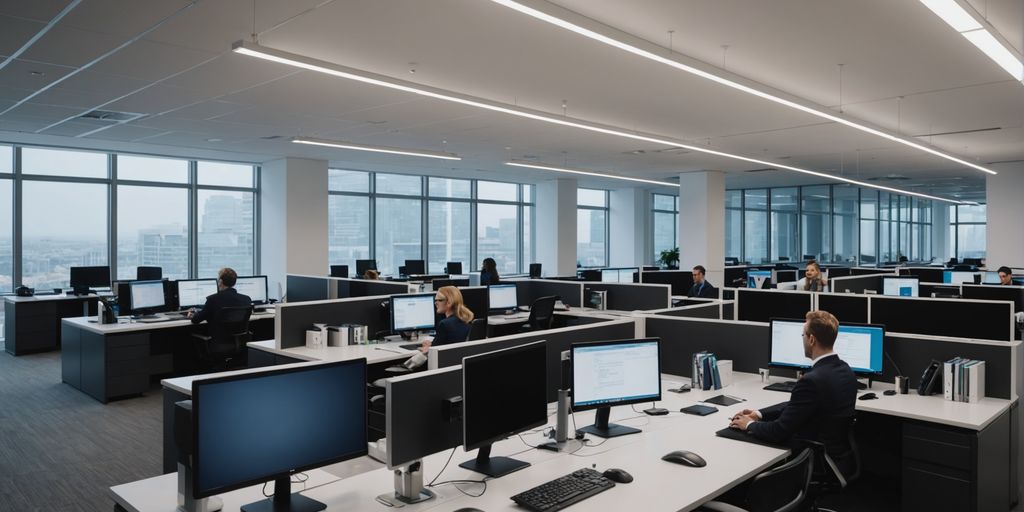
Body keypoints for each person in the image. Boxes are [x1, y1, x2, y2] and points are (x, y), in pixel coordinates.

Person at [729, 310, 858, 477]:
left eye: (803, 335)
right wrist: (759, 414)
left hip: (814, 462)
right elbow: (797, 406)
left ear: (812, 339)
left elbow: (778, 431)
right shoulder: (846, 369)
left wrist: (748, 425)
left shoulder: (811, 380)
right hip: (838, 457)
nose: (802, 339)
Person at [188, 267, 252, 339]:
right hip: (238, 341)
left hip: (218, 342)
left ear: (220, 281)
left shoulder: (212, 299)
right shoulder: (246, 299)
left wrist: (192, 314)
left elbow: (195, 320)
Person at [419, 286, 474, 353]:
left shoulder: (445, 324)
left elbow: (434, 351)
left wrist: (427, 348)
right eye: (435, 300)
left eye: (439, 300)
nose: (435, 303)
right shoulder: (466, 319)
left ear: (449, 303)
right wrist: (431, 344)